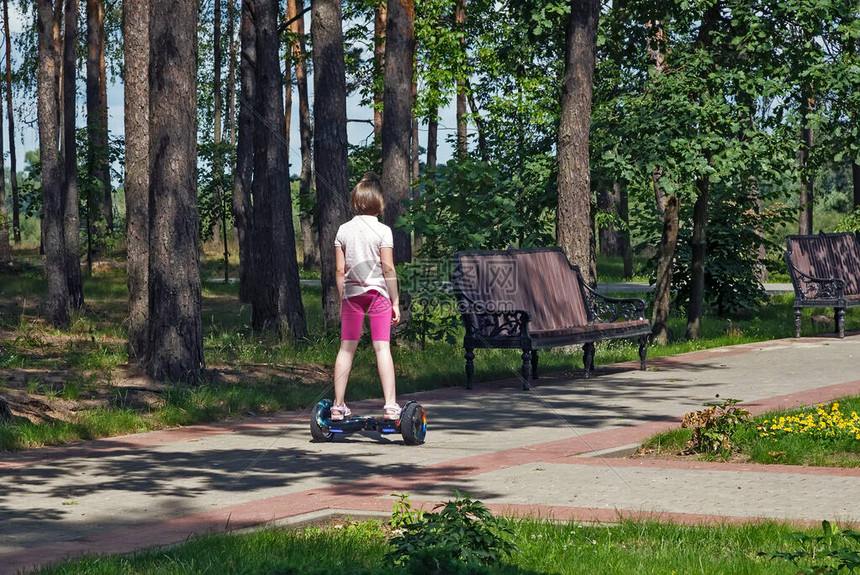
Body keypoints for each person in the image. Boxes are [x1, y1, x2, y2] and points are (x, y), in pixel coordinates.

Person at [331, 172, 401, 422]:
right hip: (378, 294)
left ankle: (338, 406)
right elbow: (388, 268)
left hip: (352, 295)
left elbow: (340, 270)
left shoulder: (343, 230)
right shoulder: (383, 231)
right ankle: (391, 406)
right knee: (381, 347)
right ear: (378, 202)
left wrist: (344, 299)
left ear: (356, 200)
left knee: (346, 349)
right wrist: (395, 301)